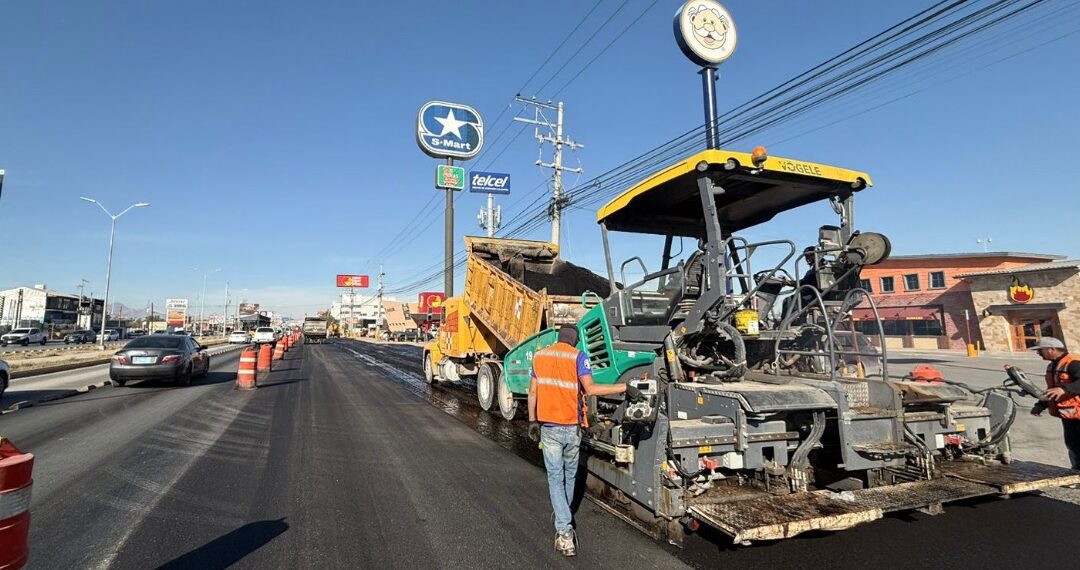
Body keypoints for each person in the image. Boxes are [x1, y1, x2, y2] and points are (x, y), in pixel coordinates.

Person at [526, 325, 643, 557]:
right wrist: (625, 387)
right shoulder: (578, 356)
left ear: (559, 338)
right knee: (569, 476)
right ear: (575, 341)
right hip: (572, 428)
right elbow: (590, 389)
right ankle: (564, 521)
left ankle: (564, 529)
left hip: (549, 428)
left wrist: (532, 421)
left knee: (555, 477)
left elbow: (532, 393)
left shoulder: (540, 357)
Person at [1029, 337, 1080, 470]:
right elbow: (1053, 390)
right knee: (1073, 446)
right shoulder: (1053, 366)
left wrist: (1064, 389)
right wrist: (1040, 405)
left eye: (1040, 350)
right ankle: (1076, 475)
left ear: (1052, 349)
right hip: (1069, 416)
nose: (1038, 353)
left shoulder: (1073, 363)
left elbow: (1061, 388)